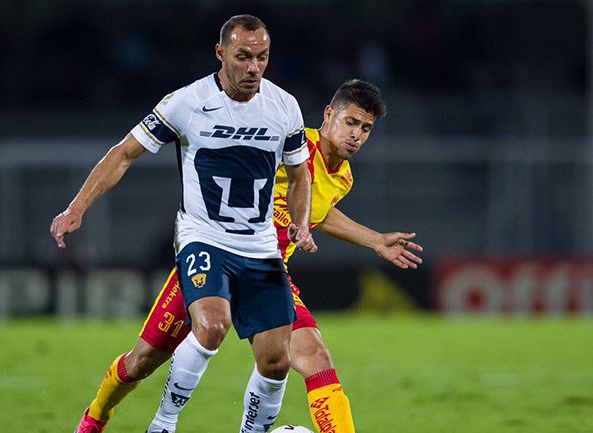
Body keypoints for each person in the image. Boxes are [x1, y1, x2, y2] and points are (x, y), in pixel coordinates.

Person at [74, 79, 424, 433]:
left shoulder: (343, 178)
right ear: (329, 114)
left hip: (269, 273)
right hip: (219, 255)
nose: (357, 135)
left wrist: (375, 240)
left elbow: (320, 212)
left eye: (366, 129)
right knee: (142, 361)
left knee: (312, 359)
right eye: (351, 122)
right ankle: (96, 417)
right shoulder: (287, 141)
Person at [51, 14, 318, 433]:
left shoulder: (284, 106)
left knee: (277, 360)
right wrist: (77, 207)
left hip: (260, 248)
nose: (253, 67)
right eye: (243, 56)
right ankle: (156, 423)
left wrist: (300, 224)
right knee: (209, 327)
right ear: (220, 53)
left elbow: (301, 176)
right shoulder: (187, 102)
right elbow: (123, 153)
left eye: (262, 57)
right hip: (203, 240)